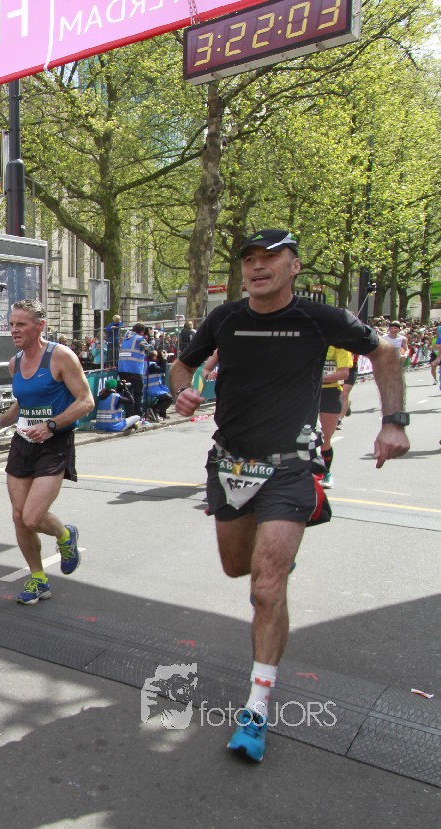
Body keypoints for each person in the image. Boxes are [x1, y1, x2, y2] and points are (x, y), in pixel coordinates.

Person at [170, 229, 407, 764]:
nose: (258, 267)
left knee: (266, 586)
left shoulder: (320, 318)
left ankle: (256, 709)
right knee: (238, 568)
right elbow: (183, 365)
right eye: (250, 260)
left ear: (294, 266)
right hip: (230, 462)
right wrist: (180, 390)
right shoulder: (225, 318)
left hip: (290, 465)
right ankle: (273, 560)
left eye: (270, 258)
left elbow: (386, 353)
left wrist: (394, 421)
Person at [0, 299, 94, 605]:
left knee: (34, 516)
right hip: (23, 443)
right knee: (19, 517)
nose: (14, 330)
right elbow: (22, 404)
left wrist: (51, 425)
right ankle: (38, 579)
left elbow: (86, 401)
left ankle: (65, 535)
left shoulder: (60, 356)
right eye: (11, 324)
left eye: (21, 324)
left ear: (40, 326)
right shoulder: (15, 363)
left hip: (54, 443)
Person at [317, 346, 352, 488]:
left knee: (325, 439)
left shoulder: (339, 346)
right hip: (308, 391)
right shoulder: (309, 340)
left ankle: (326, 473)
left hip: (330, 393)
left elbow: (344, 373)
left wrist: (317, 378)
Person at [117, 323, 149, 418]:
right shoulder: (139, 339)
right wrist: (150, 339)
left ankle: (129, 416)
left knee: (128, 394)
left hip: (122, 369)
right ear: (142, 332)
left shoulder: (125, 338)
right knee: (138, 393)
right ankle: (137, 416)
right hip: (134, 370)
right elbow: (150, 349)